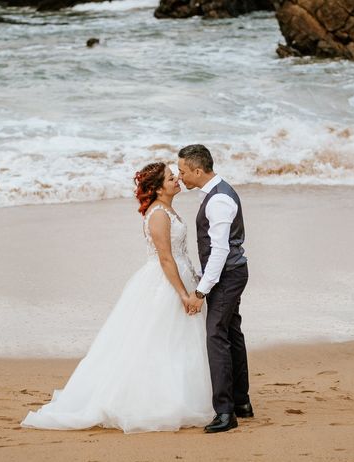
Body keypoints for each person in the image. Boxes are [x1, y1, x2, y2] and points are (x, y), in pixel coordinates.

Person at [21, 162, 214, 433]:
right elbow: (165, 258)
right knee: (157, 342)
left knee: (177, 343)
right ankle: (154, 401)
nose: (177, 180)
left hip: (180, 277)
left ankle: (181, 395)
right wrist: (182, 293)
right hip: (165, 284)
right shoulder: (158, 214)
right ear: (158, 188)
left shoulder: (167, 209)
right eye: (171, 178)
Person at [178, 144, 253, 434]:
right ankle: (241, 402)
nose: (181, 176)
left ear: (198, 171)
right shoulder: (217, 192)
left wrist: (200, 292)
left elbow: (220, 250)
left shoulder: (218, 200)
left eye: (183, 171)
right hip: (231, 272)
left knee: (216, 337)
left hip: (228, 274)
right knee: (232, 332)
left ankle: (225, 412)